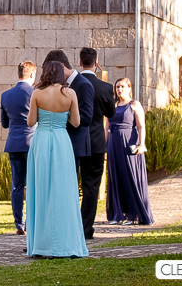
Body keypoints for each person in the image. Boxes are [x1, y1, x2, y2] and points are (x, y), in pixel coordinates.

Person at [25, 61, 88, 258]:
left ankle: (42, 245)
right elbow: (76, 122)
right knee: (63, 190)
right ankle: (65, 243)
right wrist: (62, 116)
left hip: (42, 141)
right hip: (61, 141)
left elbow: (30, 122)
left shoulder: (37, 93)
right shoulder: (70, 94)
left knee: (41, 189)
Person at [78, 47, 117, 239]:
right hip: (95, 142)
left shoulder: (71, 86)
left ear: (80, 62)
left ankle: (70, 226)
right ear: (96, 62)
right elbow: (111, 113)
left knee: (69, 184)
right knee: (91, 187)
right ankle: (85, 228)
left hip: (74, 142)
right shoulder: (105, 88)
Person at [105, 77, 154, 226]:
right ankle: (117, 214)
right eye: (117, 87)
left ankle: (133, 214)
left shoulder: (134, 104)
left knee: (130, 177)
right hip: (113, 143)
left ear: (129, 88)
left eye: (122, 86)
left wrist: (141, 144)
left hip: (129, 143)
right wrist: (105, 147)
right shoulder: (112, 105)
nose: (119, 89)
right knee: (116, 177)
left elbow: (141, 126)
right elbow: (106, 127)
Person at [1, 61, 37, 235]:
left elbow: (4, 123)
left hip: (14, 143)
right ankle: (31, 221)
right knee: (33, 184)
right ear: (31, 75)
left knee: (17, 185)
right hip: (32, 142)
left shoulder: (6, 95)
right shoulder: (35, 93)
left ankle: (18, 224)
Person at [42, 50, 93, 170]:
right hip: (58, 143)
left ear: (62, 66)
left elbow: (87, 118)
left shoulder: (83, 84)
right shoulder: (57, 85)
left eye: (52, 71)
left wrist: (60, 114)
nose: (51, 76)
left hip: (74, 145)